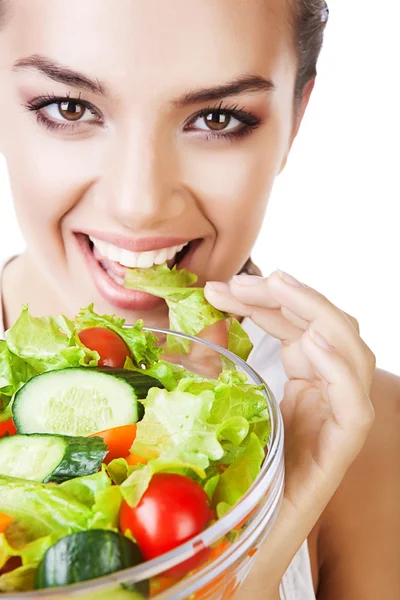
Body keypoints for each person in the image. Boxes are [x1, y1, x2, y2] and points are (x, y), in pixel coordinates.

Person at [0, 1, 398, 598]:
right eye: (70, 107)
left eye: (217, 118)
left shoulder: (361, 434)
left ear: (296, 120)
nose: (139, 202)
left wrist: (260, 548)